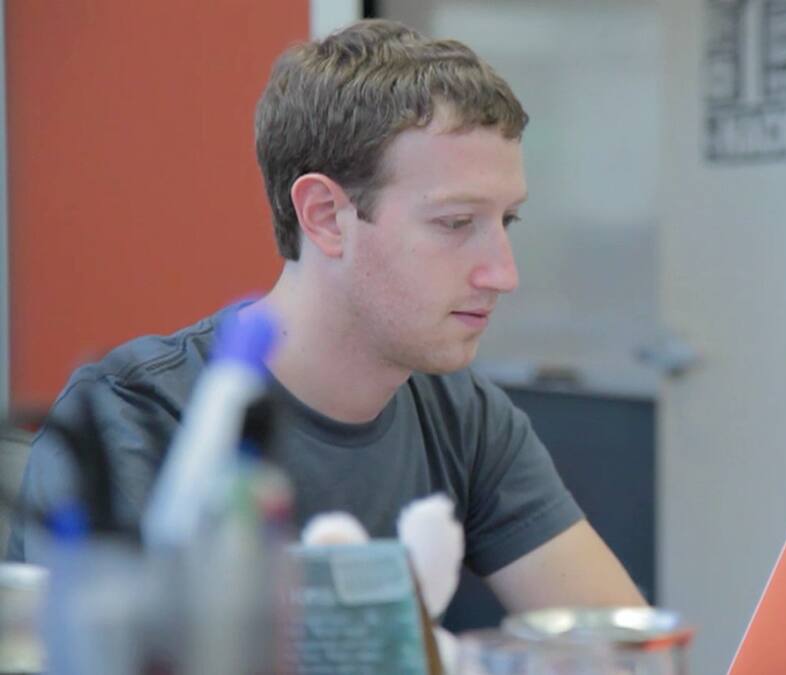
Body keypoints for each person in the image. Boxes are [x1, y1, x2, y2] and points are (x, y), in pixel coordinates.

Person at [6, 19, 645, 612]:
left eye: (506, 221)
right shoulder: (137, 413)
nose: (503, 274)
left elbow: (617, 648)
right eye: (456, 223)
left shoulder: (462, 415)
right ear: (323, 216)